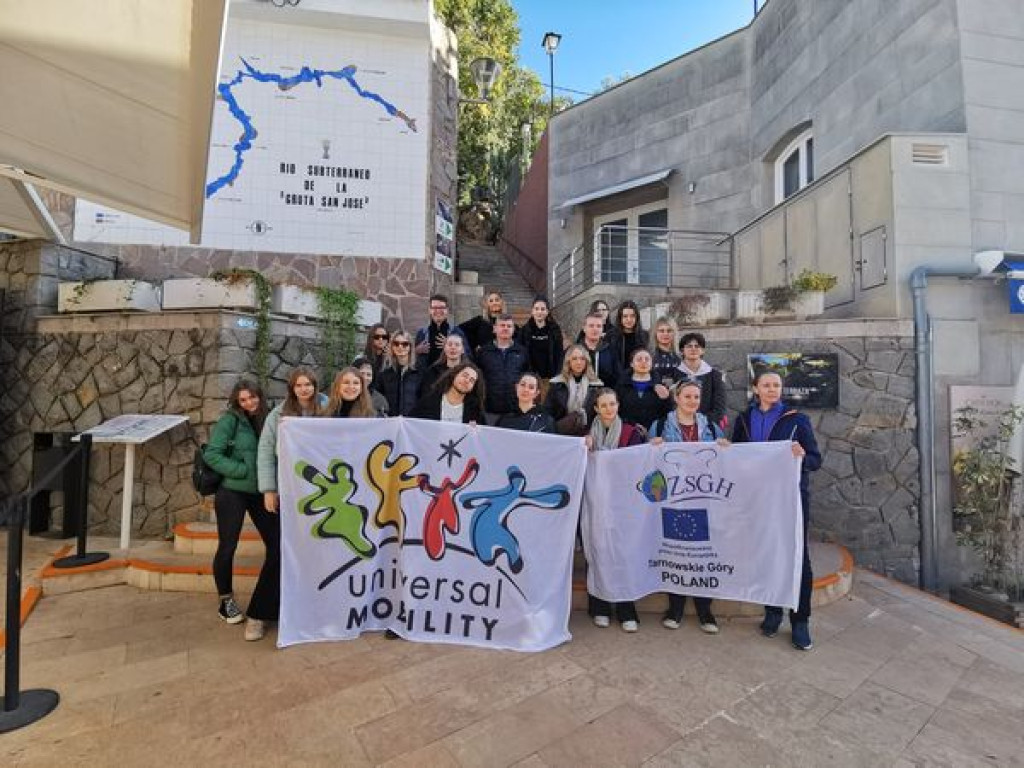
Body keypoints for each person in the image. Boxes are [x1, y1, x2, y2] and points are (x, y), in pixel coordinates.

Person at [731, 370, 822, 651]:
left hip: (790, 498)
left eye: (776, 385)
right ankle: (773, 612)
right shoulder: (744, 419)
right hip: (758, 499)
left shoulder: (797, 419)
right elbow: (737, 455)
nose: (772, 389)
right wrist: (725, 449)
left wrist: (803, 457)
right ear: (756, 389)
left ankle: (800, 620)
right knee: (766, 552)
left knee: (797, 556)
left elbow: (816, 459)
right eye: (766, 385)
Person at [254, 367, 326, 641]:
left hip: (319, 495)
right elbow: (265, 451)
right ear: (292, 388)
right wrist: (268, 489)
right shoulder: (278, 414)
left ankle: (308, 609)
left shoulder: (326, 408)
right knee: (278, 553)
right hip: (288, 492)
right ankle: (259, 614)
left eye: (309, 384)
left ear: (315, 386)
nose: (305, 389)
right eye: (299, 385)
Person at [649, 380, 725, 634]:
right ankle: (676, 607)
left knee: (704, 551)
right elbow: (649, 466)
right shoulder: (659, 426)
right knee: (676, 551)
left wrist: (726, 449)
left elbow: (724, 464)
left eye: (696, 397)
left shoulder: (712, 429)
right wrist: (652, 448)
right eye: (687, 396)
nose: (692, 401)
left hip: (705, 498)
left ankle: (705, 609)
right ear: (676, 398)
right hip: (674, 499)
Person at [204, 379, 269, 633]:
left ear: (259, 397)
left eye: (252, 397)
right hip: (232, 490)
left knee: (275, 542)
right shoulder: (229, 421)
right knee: (228, 545)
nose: (249, 403)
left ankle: (269, 598)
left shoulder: (268, 417)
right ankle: (226, 601)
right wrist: (241, 471)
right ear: (236, 402)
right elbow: (212, 453)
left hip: (260, 490)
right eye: (243, 400)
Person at [585, 388, 646, 632]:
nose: (609, 409)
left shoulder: (631, 433)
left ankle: (625, 608)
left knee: (623, 552)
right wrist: (583, 446)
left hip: (623, 503)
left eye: (612, 404)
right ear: (596, 409)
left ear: (618, 405)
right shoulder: (587, 434)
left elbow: (639, 464)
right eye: (604, 405)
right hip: (596, 503)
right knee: (597, 550)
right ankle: (599, 606)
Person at [475, 314, 529, 422]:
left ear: (513, 329)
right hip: (490, 411)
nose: (505, 328)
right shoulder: (483, 352)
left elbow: (527, 377)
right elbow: (478, 379)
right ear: (495, 329)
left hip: (515, 411)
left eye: (509, 326)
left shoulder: (522, 352)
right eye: (502, 325)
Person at [545, 344, 604, 436]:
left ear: (587, 361)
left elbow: (599, 414)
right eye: (574, 359)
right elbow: (548, 412)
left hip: (588, 434)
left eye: (582, 359)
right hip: (561, 432)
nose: (579, 362)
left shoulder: (597, 386)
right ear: (568, 362)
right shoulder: (557, 384)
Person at [677, 332, 727, 428]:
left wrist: (701, 423)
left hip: (707, 427)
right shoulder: (674, 374)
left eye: (697, 346)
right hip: (678, 427)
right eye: (689, 346)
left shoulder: (715, 375)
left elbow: (719, 408)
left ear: (703, 351)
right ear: (682, 351)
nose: (693, 349)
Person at [615, 348, 673, 432]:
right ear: (631, 364)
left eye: (647, 359)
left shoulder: (661, 386)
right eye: (639, 359)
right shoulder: (621, 385)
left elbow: (667, 413)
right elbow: (617, 411)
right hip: (628, 431)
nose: (643, 362)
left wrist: (667, 399)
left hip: (655, 433)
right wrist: (632, 425)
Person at [409, 362, 485, 424]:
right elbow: (410, 423)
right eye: (465, 375)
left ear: (473, 387)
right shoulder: (429, 401)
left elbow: (485, 435)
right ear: (454, 375)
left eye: (472, 380)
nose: (467, 381)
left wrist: (476, 433)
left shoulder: (475, 411)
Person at [414, 294, 469, 368]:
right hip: (426, 377)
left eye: (442, 307)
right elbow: (413, 359)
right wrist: (416, 351)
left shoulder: (457, 332)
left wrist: (451, 347)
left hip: (449, 375)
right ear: (429, 310)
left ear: (447, 310)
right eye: (434, 307)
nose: (438, 311)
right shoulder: (421, 333)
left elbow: (468, 356)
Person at [376, 330, 422, 417]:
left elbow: (423, 401)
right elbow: (379, 399)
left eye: (405, 344)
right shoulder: (384, 373)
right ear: (392, 347)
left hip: (411, 423)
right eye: (396, 343)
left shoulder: (419, 372)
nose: (400, 347)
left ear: (410, 347)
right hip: (390, 423)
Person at [518, 295, 564, 381]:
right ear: (532, 311)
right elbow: (521, 355)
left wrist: (557, 375)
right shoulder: (524, 331)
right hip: (530, 378)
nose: (539, 312)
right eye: (536, 309)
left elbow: (559, 354)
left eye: (542, 309)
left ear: (547, 311)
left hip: (550, 378)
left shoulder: (554, 330)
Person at [418, 333, 470, 399]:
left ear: (462, 350)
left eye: (457, 345)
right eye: (449, 344)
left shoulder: (470, 373)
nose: (453, 347)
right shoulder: (432, 372)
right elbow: (425, 396)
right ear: (444, 349)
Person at [579, 311, 622, 387]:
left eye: (598, 326)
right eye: (591, 326)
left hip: (604, 395)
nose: (595, 329)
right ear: (584, 328)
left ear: (602, 329)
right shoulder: (574, 351)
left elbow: (618, 378)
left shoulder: (611, 351)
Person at [459, 290, 505, 356]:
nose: (495, 303)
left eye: (497, 300)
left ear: (501, 302)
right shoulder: (479, 321)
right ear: (486, 304)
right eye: (491, 301)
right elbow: (459, 330)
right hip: (483, 359)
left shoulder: (508, 323)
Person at [607, 300, 649, 370]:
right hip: (617, 378)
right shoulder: (611, 336)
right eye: (625, 316)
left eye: (632, 316)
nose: (629, 320)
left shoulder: (644, 336)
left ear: (637, 318)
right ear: (620, 318)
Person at [650, 317, 682, 386]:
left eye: (669, 330)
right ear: (656, 333)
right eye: (661, 331)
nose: (665, 334)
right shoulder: (648, 355)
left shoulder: (681, 355)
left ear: (674, 333)